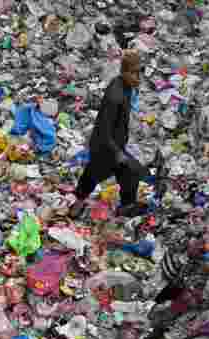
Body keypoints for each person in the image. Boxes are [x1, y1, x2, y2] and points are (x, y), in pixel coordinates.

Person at [69, 50, 149, 220]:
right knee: (94, 174)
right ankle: (77, 203)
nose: (138, 78)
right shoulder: (115, 95)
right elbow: (104, 129)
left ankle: (127, 205)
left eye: (140, 73)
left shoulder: (126, 87)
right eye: (134, 73)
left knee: (128, 172)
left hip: (115, 144)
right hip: (105, 146)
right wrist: (117, 152)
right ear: (124, 72)